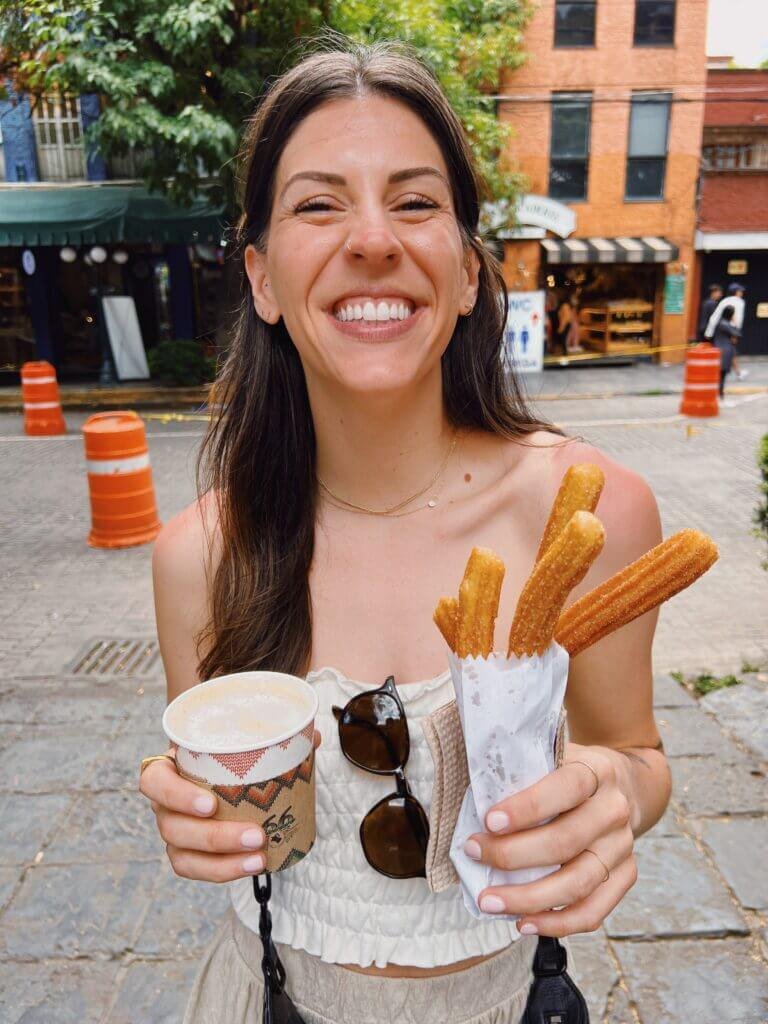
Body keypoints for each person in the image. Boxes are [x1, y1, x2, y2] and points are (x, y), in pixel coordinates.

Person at [139, 37, 671, 1024]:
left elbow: (634, 751)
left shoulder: (589, 514)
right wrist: (193, 804)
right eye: (318, 202)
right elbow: (243, 814)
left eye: (416, 201)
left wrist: (614, 793)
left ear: (468, 272)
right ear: (261, 279)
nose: (374, 238)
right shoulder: (200, 558)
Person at [705, 282, 748, 379]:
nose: (741, 292)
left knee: (728, 351)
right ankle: (734, 374)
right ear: (736, 292)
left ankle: (737, 373)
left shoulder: (724, 301)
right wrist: (735, 334)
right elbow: (738, 319)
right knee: (729, 351)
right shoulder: (739, 302)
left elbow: (714, 317)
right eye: (740, 291)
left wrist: (709, 332)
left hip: (719, 329)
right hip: (730, 330)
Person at [712, 304, 741, 399]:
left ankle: (720, 393)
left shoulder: (721, 322)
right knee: (721, 373)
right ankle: (719, 393)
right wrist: (735, 322)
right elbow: (737, 333)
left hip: (722, 349)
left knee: (721, 374)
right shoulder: (724, 324)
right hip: (724, 350)